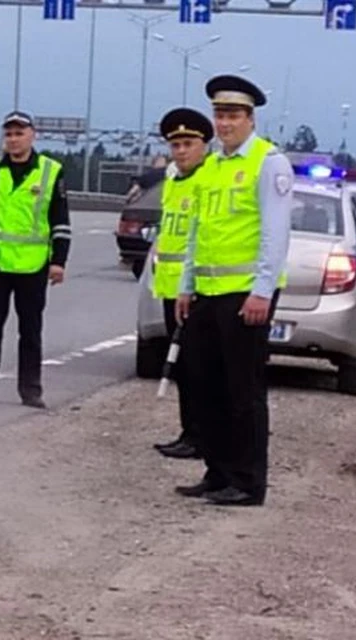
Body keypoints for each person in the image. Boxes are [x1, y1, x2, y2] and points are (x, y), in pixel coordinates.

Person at [174, 75, 293, 507]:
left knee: (243, 392)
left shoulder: (268, 162)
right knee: (205, 385)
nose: (224, 124)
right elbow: (197, 231)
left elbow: (275, 234)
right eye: (219, 115)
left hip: (246, 294)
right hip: (208, 291)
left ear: (250, 119)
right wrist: (186, 285)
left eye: (232, 116)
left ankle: (247, 481)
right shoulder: (212, 167)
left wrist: (262, 291)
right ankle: (217, 471)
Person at [0, 110, 71, 409]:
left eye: (19, 133)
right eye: (9, 134)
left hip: (33, 265)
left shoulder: (50, 171)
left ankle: (31, 391)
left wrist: (59, 261)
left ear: (32, 136)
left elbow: (59, 219)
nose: (14, 139)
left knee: (30, 331)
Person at [149, 107, 214, 460]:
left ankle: (202, 436)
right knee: (184, 369)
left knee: (198, 369)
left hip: (198, 290)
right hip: (172, 288)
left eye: (189, 143)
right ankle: (190, 431)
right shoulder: (173, 182)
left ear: (204, 145)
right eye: (176, 145)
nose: (182, 151)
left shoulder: (208, 182)